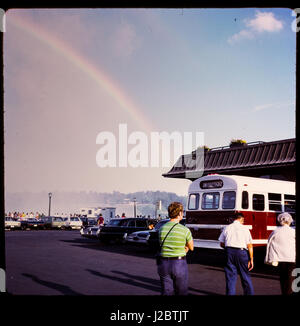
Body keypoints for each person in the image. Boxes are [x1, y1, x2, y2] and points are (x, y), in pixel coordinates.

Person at [157, 202, 194, 295]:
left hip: (163, 263)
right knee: (181, 292)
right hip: (179, 263)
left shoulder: (162, 228)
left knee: (166, 292)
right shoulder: (185, 230)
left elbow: (162, 244)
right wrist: (185, 248)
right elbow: (191, 247)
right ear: (180, 213)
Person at [218, 212, 254, 295]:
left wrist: (229, 248)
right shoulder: (245, 229)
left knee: (230, 278)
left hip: (229, 252)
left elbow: (221, 243)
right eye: (243, 220)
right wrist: (251, 259)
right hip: (241, 252)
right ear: (241, 219)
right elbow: (249, 245)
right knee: (245, 276)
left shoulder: (227, 228)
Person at [265, 212, 296, 295]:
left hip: (281, 259)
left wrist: (269, 258)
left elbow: (269, 244)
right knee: (292, 279)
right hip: (293, 258)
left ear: (280, 221)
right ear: (290, 221)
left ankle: (285, 292)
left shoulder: (275, 232)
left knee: (283, 278)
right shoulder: (293, 232)